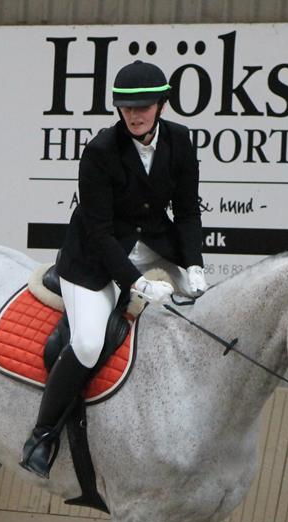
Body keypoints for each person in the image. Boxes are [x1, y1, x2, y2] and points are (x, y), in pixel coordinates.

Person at [20, 59, 209, 477]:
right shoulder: (101, 151)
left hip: (154, 244)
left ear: (161, 104)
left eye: (143, 107)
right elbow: (101, 233)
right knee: (87, 343)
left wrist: (192, 264)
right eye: (126, 108)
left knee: (205, 305)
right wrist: (139, 284)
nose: (135, 115)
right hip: (94, 258)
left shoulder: (180, 141)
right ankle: (42, 434)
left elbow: (189, 211)